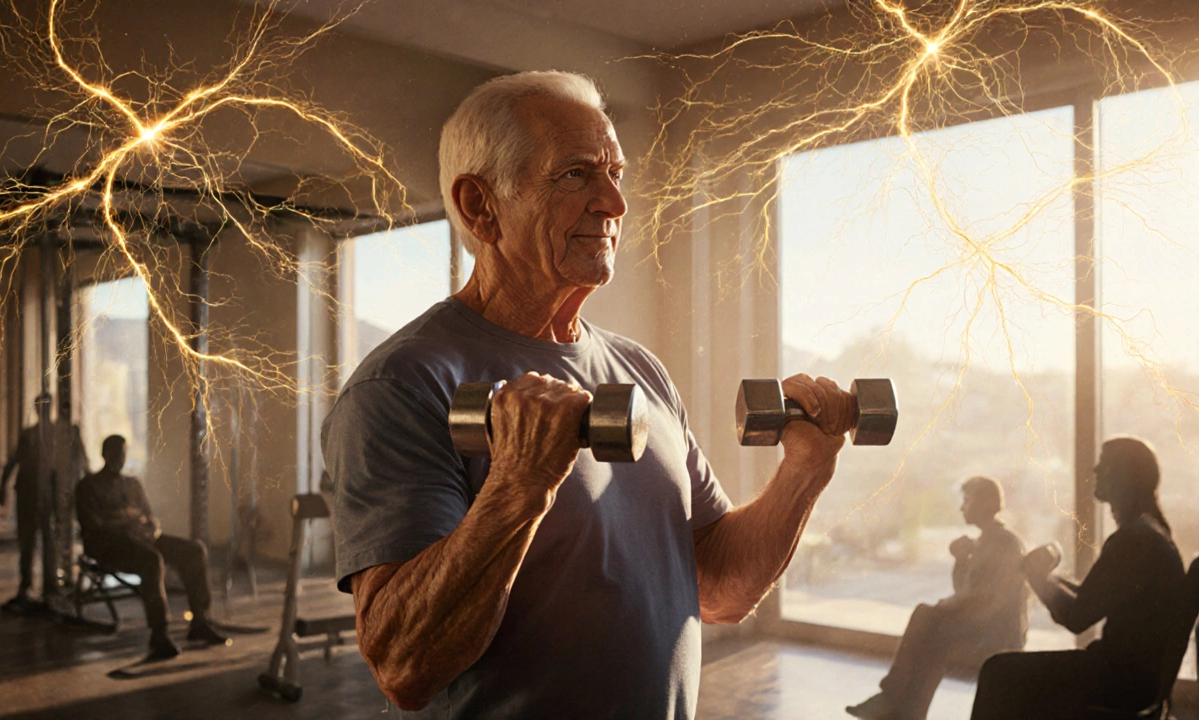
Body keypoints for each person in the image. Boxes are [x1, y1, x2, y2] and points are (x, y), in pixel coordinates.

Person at [323, 71, 856, 719]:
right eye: (575, 175)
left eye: (616, 173)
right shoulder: (405, 383)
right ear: (479, 207)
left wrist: (805, 471)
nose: (614, 203)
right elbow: (405, 666)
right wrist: (518, 486)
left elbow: (719, 587)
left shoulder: (639, 370)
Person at [970, 437, 1187, 719]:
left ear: (1123, 477)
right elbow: (1090, 597)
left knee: (997, 672)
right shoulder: (1150, 534)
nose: (1095, 470)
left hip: (1119, 681)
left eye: (1104, 465)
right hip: (1137, 681)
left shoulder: (1132, 540)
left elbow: (1075, 615)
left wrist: (1036, 577)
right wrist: (1046, 578)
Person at [847, 476, 1028, 720]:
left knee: (928, 621)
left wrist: (940, 609)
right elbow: (965, 591)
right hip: (986, 626)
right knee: (933, 630)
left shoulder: (1002, 542)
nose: (962, 508)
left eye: (967, 501)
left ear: (984, 503)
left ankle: (896, 702)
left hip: (998, 634)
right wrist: (961, 562)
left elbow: (980, 600)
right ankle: (903, 709)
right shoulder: (987, 540)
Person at [75, 435, 228, 660]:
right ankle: (159, 632)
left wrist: (145, 526)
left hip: (142, 538)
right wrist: (125, 521)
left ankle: (200, 620)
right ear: (104, 455)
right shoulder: (88, 486)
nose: (119, 459)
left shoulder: (132, 484)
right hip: (110, 545)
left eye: (122, 454)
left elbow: (150, 518)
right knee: (151, 560)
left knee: (194, 550)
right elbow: (93, 525)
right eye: (115, 454)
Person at [0, 394, 87, 610]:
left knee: (49, 540)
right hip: (30, 493)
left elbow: (79, 462)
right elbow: (13, 461)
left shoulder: (62, 433)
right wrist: (2, 487)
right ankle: (29, 584)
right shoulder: (31, 434)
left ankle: (50, 586)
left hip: (49, 495)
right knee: (28, 542)